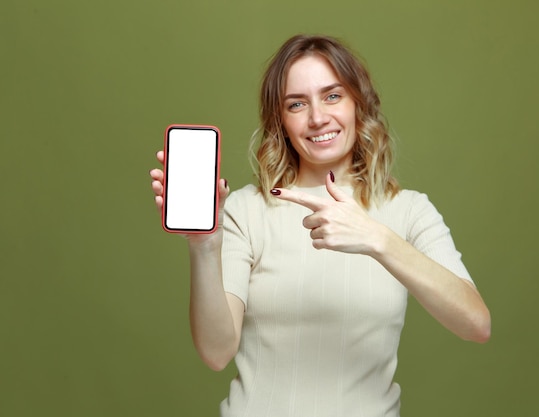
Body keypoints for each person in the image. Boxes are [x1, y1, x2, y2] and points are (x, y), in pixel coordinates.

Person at [149, 34, 490, 417]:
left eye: (332, 96)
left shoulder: (409, 211)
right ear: (281, 120)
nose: (317, 118)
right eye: (297, 104)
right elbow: (215, 352)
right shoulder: (246, 209)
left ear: (358, 103)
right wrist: (204, 245)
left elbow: (475, 323)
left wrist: (376, 238)